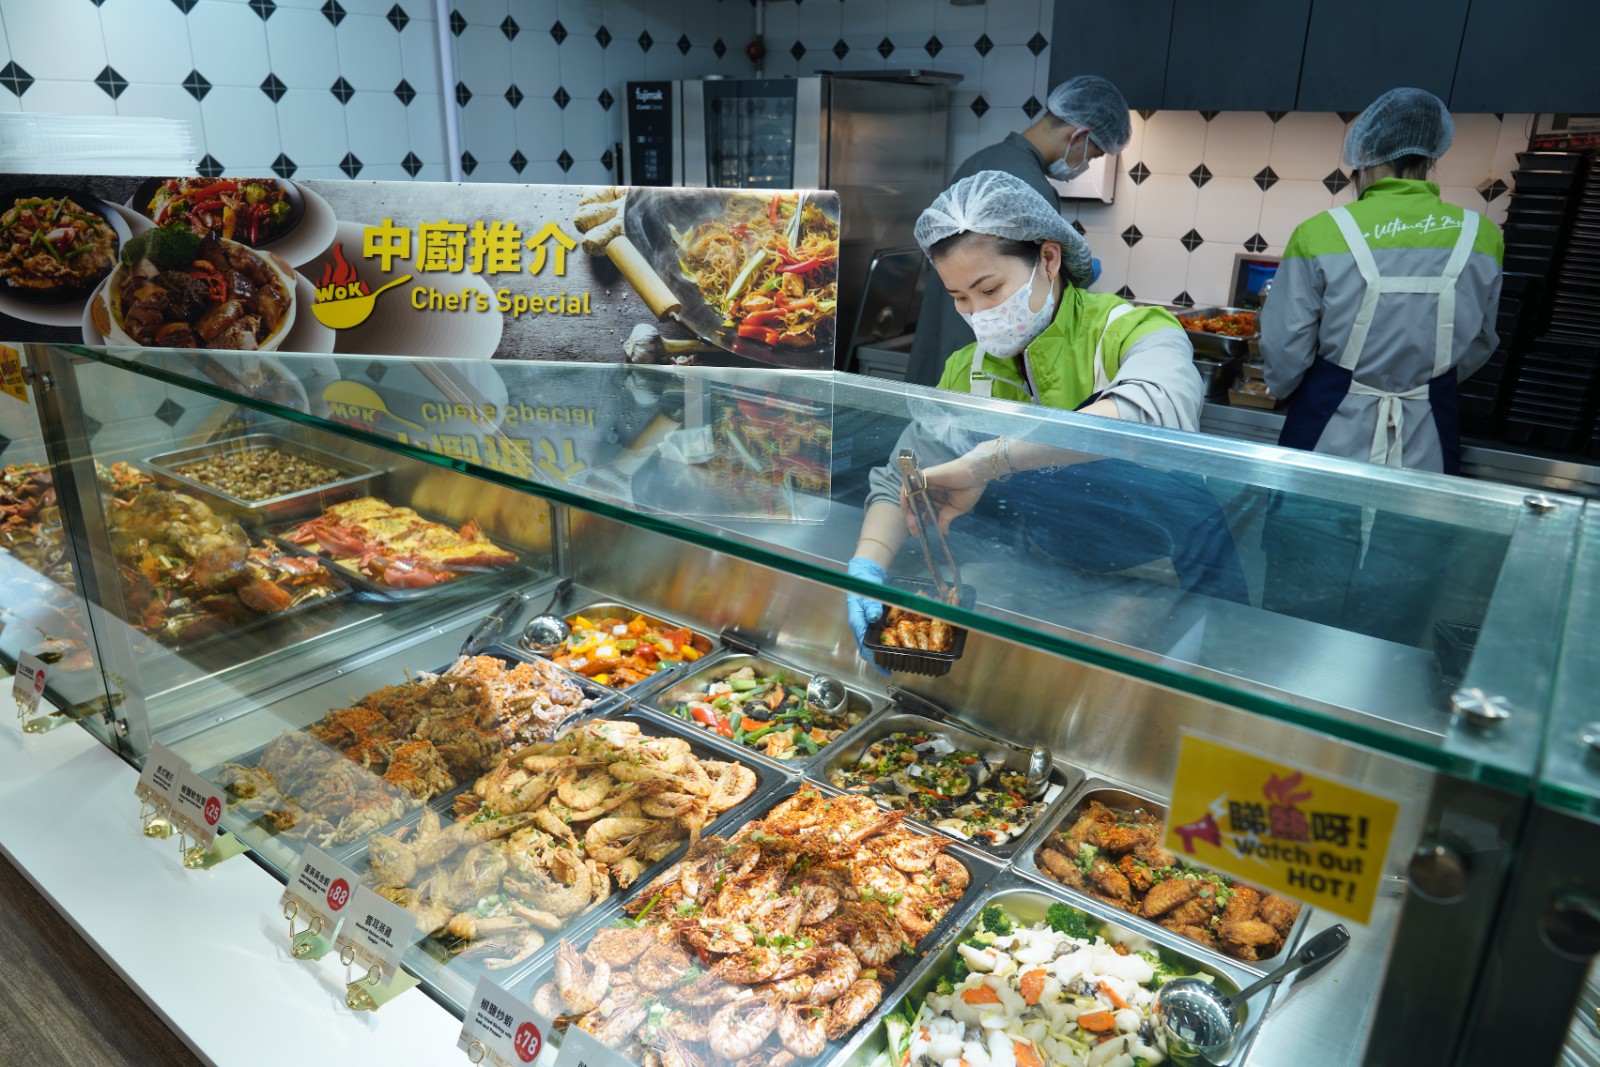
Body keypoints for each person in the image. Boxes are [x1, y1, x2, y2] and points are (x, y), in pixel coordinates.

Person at [845, 172, 1247, 669]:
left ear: (1050, 259)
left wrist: (990, 462)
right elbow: (903, 477)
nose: (978, 313)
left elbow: (1146, 416)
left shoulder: (1132, 331)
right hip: (1046, 568)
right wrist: (867, 564)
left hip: (1162, 575)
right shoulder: (968, 369)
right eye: (959, 298)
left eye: (989, 289)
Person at [1258, 87, 1505, 644]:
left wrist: (1287, 387)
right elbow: (1481, 342)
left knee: (1299, 599)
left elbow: (1285, 349)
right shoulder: (1483, 236)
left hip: (1326, 433)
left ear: (1363, 154)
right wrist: (1419, 383)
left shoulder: (1321, 232)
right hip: (1427, 438)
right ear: (1433, 154)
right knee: (1400, 600)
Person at [903, 76, 1132, 388]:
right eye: (1092, 156)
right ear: (1079, 136)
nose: (1086, 165)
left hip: (942, 341)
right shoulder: (1030, 186)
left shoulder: (982, 160)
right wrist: (1077, 271)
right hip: (981, 360)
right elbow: (1047, 288)